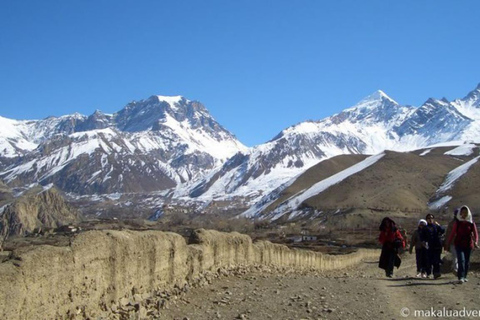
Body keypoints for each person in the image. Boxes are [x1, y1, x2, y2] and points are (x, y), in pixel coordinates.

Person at [446, 205, 479, 284]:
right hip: (459, 244)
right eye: (462, 212)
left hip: (468, 244)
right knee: (461, 260)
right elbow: (452, 233)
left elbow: (476, 234)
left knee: (467, 262)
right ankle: (460, 277)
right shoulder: (458, 223)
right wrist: (448, 243)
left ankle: (464, 276)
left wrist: (476, 242)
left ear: (468, 213)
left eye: (465, 212)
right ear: (460, 213)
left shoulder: (471, 223)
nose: (464, 214)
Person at [420, 213, 444, 279]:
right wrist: (423, 242)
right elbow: (422, 237)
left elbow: (442, 231)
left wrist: (439, 225)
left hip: (437, 245)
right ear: (426, 220)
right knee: (429, 260)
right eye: (428, 218)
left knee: (437, 259)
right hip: (429, 246)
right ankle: (429, 272)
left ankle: (436, 272)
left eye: (431, 218)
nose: (430, 219)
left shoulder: (436, 227)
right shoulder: (425, 228)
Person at [444, 208, 459, 274]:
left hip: (463, 242)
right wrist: (447, 244)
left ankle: (455, 267)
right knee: (455, 256)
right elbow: (448, 234)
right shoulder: (451, 223)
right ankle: (456, 269)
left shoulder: (464, 222)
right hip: (453, 243)